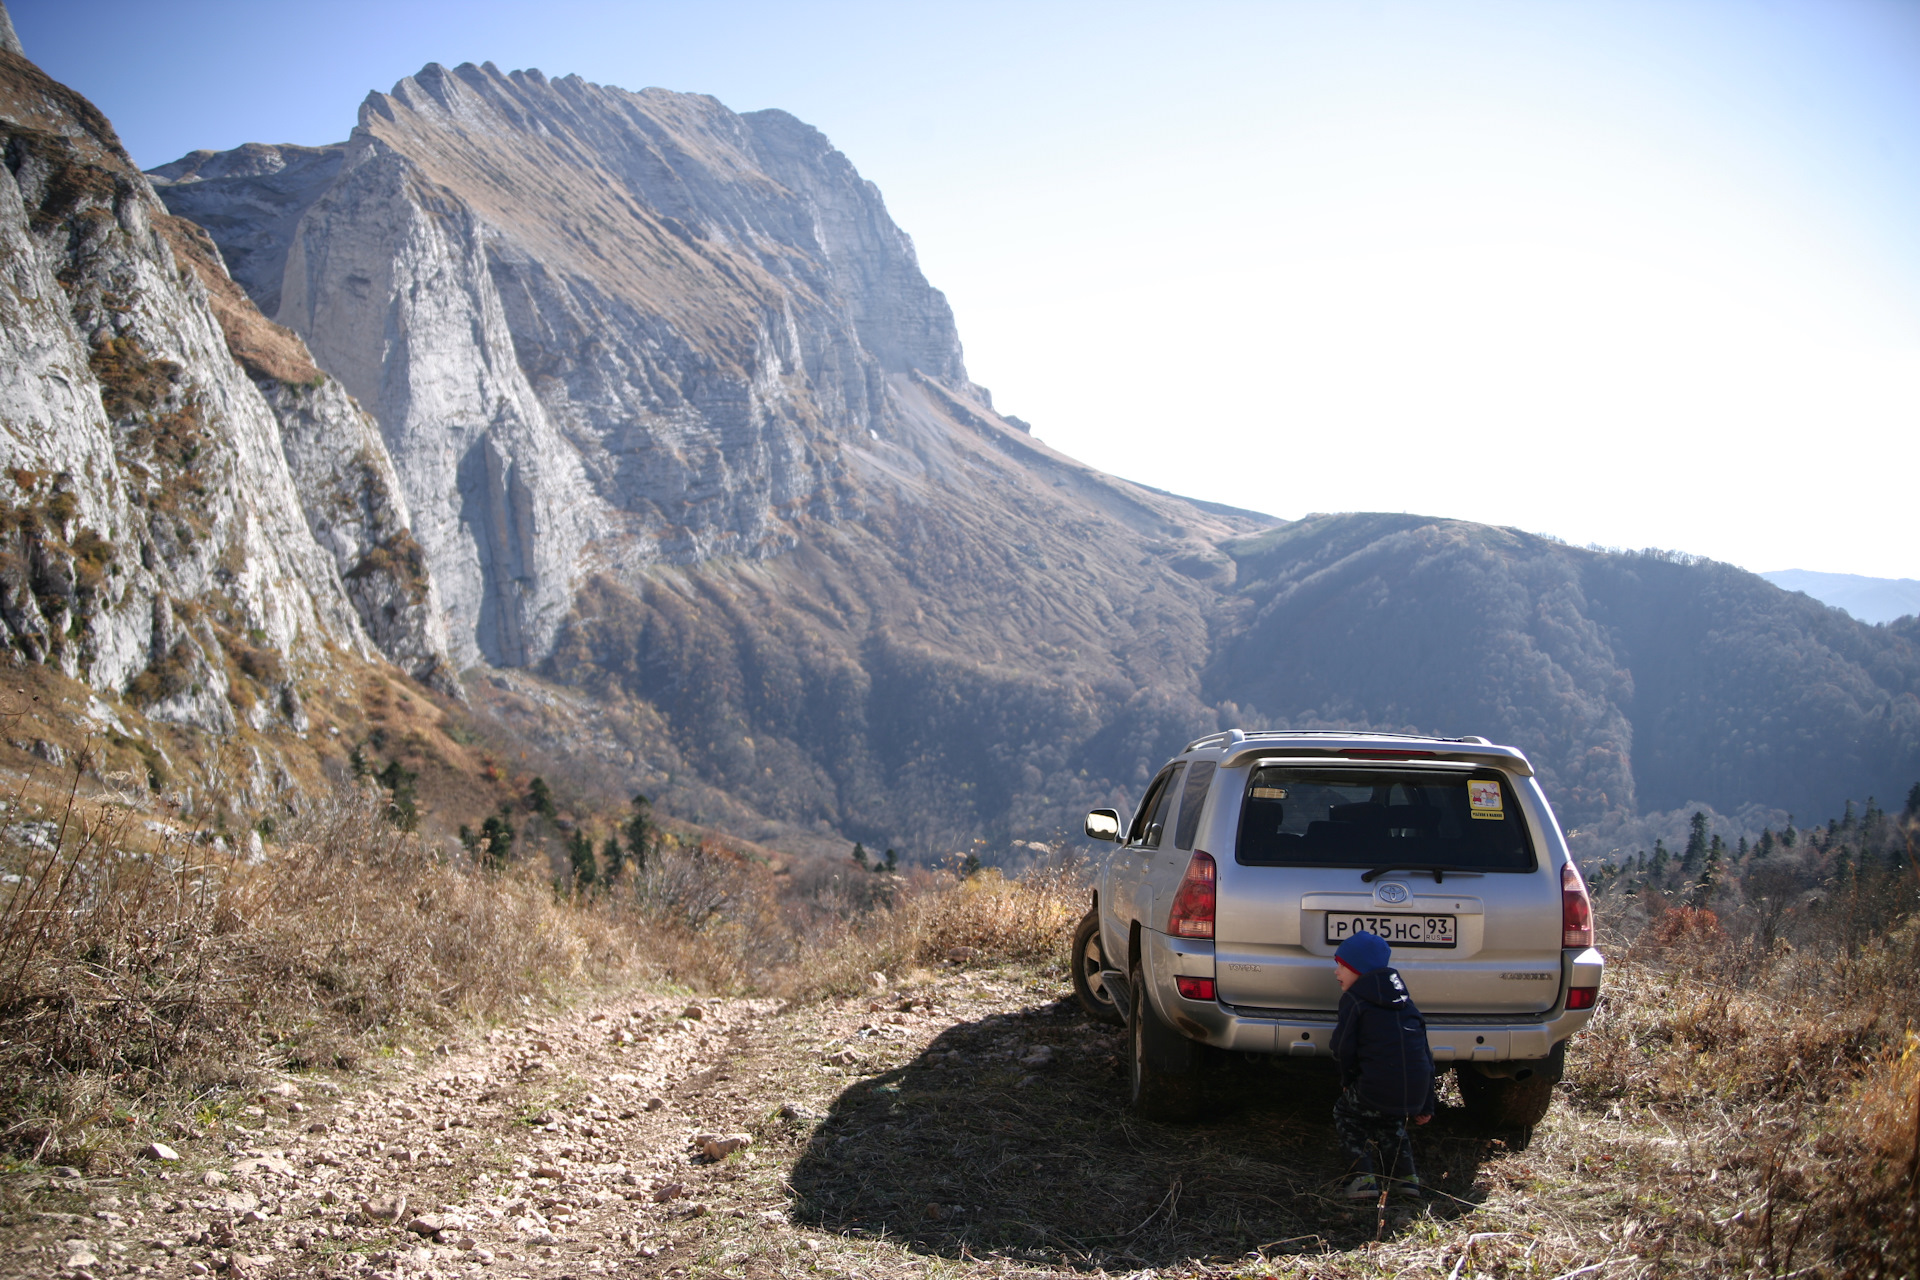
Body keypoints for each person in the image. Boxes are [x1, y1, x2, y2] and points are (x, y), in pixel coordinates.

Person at [1329, 931, 1436, 1200]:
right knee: (1392, 1123)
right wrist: (1426, 1103)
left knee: (1347, 1114)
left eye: (1341, 965)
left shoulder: (1354, 1001)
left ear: (1358, 969)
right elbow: (1424, 1054)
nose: (1336, 972)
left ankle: (1362, 1180)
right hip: (1412, 1090)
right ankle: (1407, 1180)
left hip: (1373, 1085)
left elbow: (1343, 1047)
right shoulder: (1406, 1003)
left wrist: (1347, 1081)